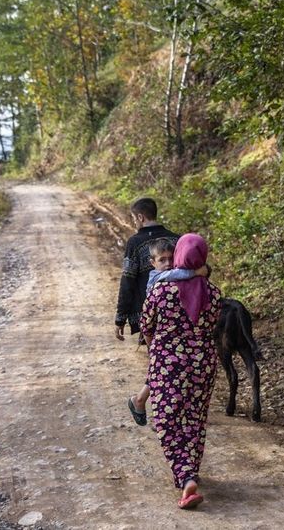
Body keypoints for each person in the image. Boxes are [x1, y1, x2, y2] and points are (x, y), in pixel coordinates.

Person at [139, 233, 222, 510]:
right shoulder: (214, 292)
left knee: (166, 420)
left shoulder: (160, 292)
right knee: (195, 418)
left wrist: (158, 352)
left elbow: (146, 327)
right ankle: (190, 470)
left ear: (178, 257)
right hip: (204, 364)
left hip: (168, 366)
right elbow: (213, 326)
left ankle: (186, 477)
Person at [127, 238, 208, 427]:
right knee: (162, 373)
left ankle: (141, 401)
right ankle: (162, 417)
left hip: (166, 333)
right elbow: (178, 274)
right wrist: (196, 271)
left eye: (171, 258)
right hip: (156, 331)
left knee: (160, 371)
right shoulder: (158, 277)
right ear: (152, 263)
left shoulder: (170, 274)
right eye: (162, 260)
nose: (168, 263)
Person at [114, 198, 178, 342]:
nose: (134, 222)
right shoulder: (176, 239)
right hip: (179, 312)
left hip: (149, 313)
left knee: (157, 357)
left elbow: (127, 280)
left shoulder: (135, 242)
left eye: (133, 218)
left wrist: (120, 318)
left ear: (140, 217)